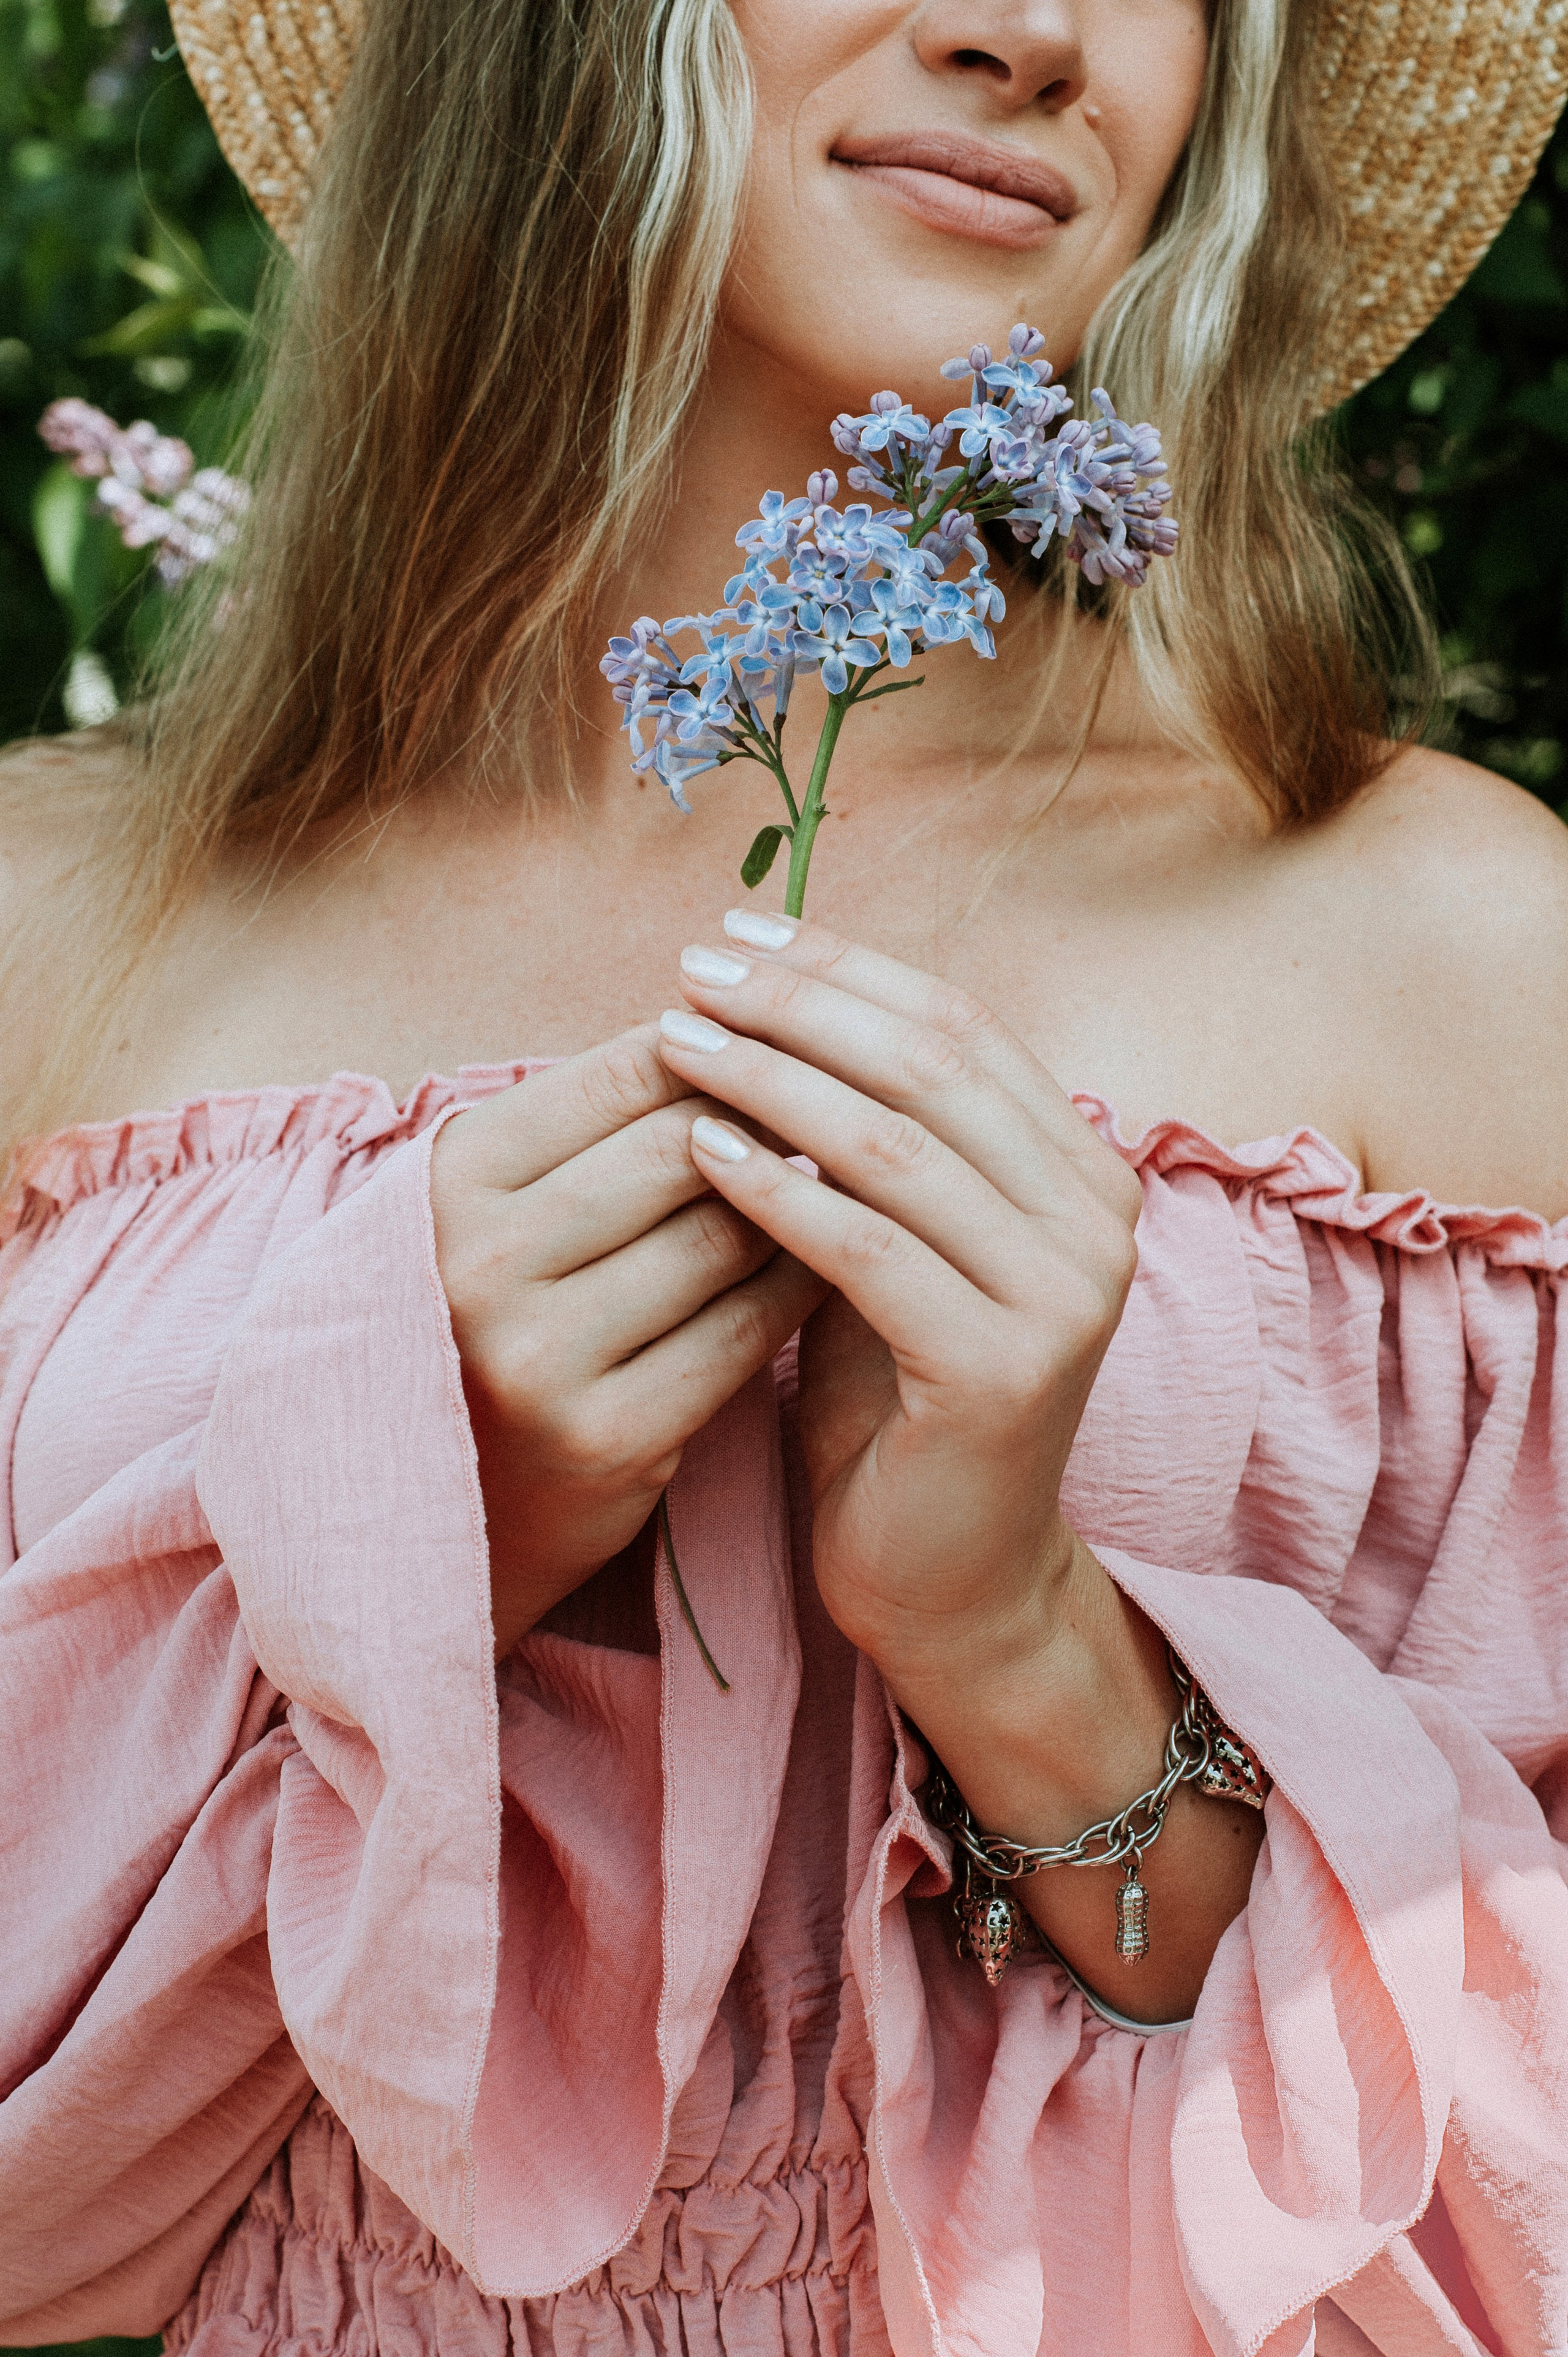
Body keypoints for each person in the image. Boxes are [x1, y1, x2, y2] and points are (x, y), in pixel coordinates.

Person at [2, 0, 1567, 2349]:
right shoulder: (60, 925)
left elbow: (1510, 2221)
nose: (1033, 34)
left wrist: (1023, 1649)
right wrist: (420, 1542)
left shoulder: (1454, 945)